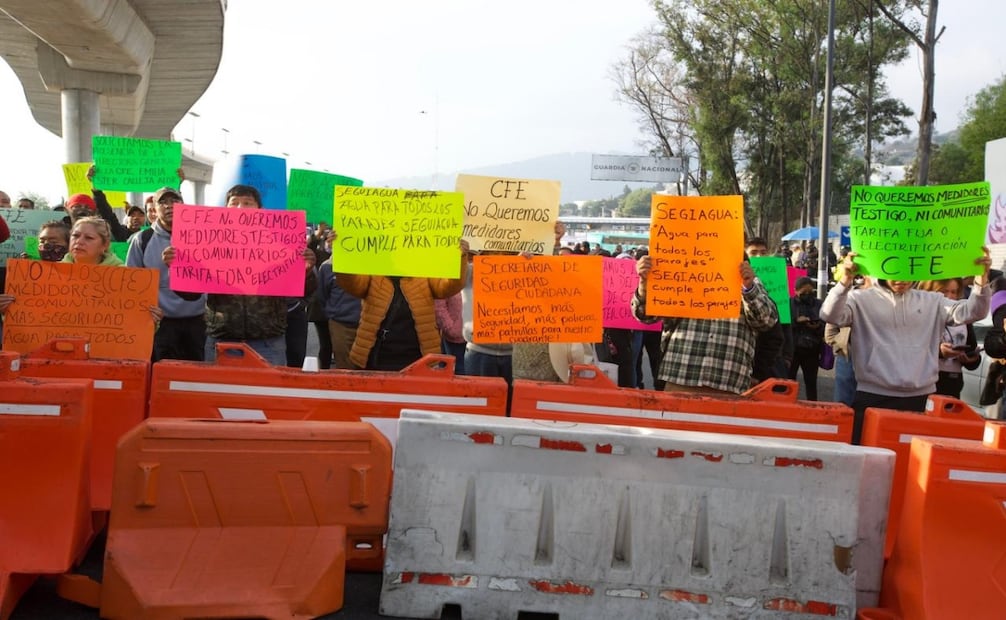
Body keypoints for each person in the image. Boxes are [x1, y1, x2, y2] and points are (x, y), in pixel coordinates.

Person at [821, 250, 992, 444]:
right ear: (881, 268)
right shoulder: (859, 299)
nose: (901, 279)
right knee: (870, 461)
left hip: (922, 397)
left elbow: (973, 312)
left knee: (914, 464)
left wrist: (981, 280)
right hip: (872, 395)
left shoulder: (933, 301)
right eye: (894, 272)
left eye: (907, 272)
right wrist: (844, 283)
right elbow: (829, 315)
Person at [188, 184, 317, 365]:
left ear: (260, 209)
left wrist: (307, 272)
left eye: (247, 203)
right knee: (219, 393)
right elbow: (190, 294)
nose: (241, 208)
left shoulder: (280, 244)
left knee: (267, 393)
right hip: (222, 340)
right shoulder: (208, 243)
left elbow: (301, 292)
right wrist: (179, 267)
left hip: (268, 342)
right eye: (235, 203)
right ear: (226, 209)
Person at [632, 255, 779, 395]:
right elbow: (645, 316)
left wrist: (748, 287)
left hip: (729, 384)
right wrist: (644, 284)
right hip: (680, 378)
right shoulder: (680, 275)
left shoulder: (751, 283)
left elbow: (767, 321)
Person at [335, 239, 469, 371]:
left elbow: (447, 288)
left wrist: (460, 258)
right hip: (376, 356)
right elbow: (352, 285)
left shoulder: (425, 269)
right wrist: (343, 252)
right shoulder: (373, 270)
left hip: (419, 357)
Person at [127, 187, 207, 362]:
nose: (170, 206)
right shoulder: (141, 240)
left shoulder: (202, 236)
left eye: (175, 201)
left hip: (198, 321)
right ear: (154, 209)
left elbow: (216, 275)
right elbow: (132, 284)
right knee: (162, 378)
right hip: (161, 324)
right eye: (163, 202)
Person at [917, 278, 981, 398]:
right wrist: (940, 352)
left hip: (952, 384)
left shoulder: (963, 319)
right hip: (925, 384)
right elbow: (911, 349)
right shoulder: (920, 316)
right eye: (944, 291)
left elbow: (972, 352)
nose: (949, 296)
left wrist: (970, 359)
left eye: (954, 292)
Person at [745, 236, 789, 383]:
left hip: (772, 359)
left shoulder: (778, 281)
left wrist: (788, 356)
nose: (759, 257)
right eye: (754, 253)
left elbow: (782, 327)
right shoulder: (742, 283)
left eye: (763, 253)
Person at [318, 253, 361, 369]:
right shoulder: (327, 267)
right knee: (344, 366)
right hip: (340, 324)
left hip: (370, 325)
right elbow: (322, 296)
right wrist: (334, 313)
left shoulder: (376, 264)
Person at [788, 276, 825, 400]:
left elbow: (826, 323)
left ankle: (812, 406)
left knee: (811, 382)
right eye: (804, 293)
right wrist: (797, 321)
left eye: (810, 292)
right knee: (789, 381)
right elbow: (784, 325)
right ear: (796, 291)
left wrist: (817, 326)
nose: (808, 295)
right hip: (793, 349)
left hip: (812, 348)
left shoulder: (818, 304)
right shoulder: (789, 303)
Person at [435, 292, 466, 374]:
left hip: (479, 339)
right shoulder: (447, 281)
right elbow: (439, 306)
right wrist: (451, 329)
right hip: (455, 340)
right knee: (457, 372)